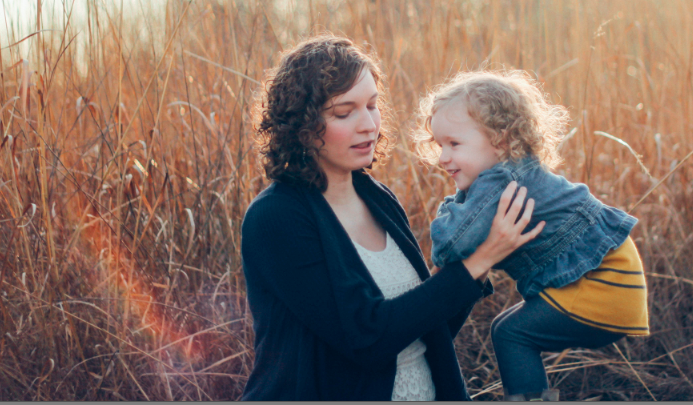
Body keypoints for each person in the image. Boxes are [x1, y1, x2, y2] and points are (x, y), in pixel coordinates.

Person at [240, 35, 545, 401]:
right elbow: (366, 340)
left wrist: (481, 254)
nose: (368, 124)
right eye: (344, 112)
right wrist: (480, 260)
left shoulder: (377, 198)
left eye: (372, 105)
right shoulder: (276, 218)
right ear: (301, 125)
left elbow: (427, 329)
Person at [414, 70, 650, 401]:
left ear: (500, 139)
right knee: (503, 329)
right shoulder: (516, 171)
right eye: (439, 145)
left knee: (513, 334)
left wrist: (451, 207)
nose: (443, 157)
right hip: (616, 280)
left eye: (454, 144)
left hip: (602, 285)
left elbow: (451, 244)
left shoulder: (498, 182)